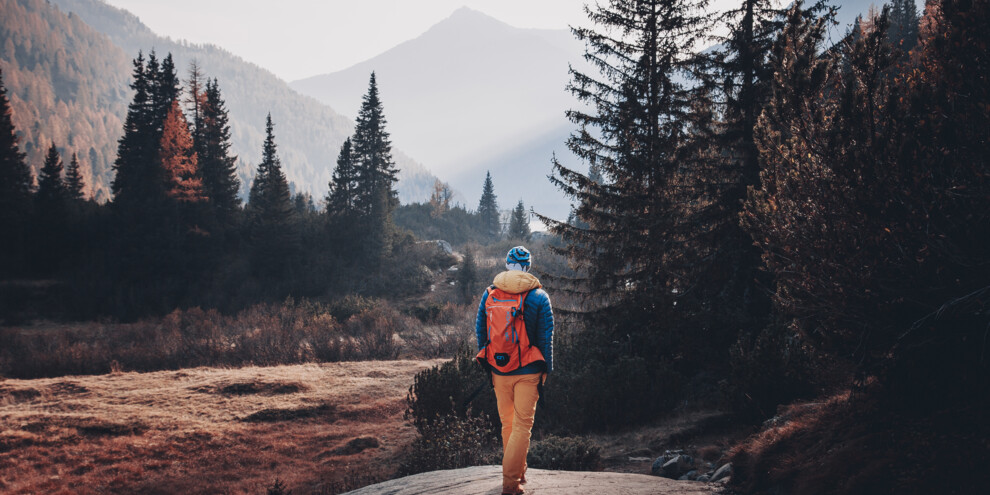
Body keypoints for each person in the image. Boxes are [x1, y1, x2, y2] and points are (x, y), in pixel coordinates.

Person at [475, 246, 554, 495]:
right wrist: (546, 370)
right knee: (522, 425)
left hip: (499, 370)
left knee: (508, 423)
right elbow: (545, 338)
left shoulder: (489, 294)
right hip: (529, 370)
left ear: (507, 264)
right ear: (527, 267)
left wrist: (490, 366)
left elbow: (481, 333)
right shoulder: (539, 297)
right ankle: (511, 484)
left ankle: (518, 472)